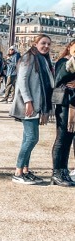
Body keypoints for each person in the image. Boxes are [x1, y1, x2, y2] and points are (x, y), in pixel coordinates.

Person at [9, 34, 54, 184]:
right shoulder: (29, 57)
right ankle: (18, 171)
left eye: (48, 44)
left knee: (27, 138)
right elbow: (22, 80)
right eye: (43, 43)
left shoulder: (43, 60)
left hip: (37, 104)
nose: (46, 46)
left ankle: (25, 170)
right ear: (35, 44)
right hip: (28, 105)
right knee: (32, 138)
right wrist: (28, 101)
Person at [50, 39, 75, 187]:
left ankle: (64, 170)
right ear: (70, 47)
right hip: (66, 104)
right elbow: (58, 80)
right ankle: (57, 172)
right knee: (62, 139)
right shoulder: (64, 62)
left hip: (73, 104)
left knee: (68, 138)